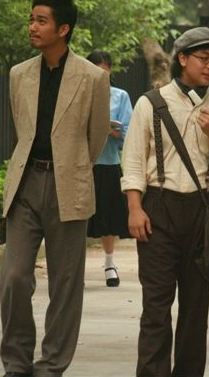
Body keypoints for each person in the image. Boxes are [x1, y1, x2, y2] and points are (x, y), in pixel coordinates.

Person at [121, 27, 209, 377]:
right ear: (183, 59)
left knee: (195, 309)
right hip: (158, 207)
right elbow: (133, 161)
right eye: (203, 59)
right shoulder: (151, 103)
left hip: (206, 210)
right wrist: (135, 208)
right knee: (155, 307)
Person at [0, 0, 110, 377]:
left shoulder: (93, 78)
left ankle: (51, 366)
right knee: (14, 277)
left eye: (41, 20)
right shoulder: (19, 74)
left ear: (63, 29)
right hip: (26, 183)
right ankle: (16, 363)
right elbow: (22, 129)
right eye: (31, 19)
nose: (32, 26)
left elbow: (96, 137)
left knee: (65, 283)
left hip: (69, 185)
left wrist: (71, 166)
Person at [85, 50, 133, 287]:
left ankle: (109, 263)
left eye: (103, 71)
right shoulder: (78, 94)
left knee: (109, 218)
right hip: (81, 165)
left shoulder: (120, 96)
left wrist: (108, 129)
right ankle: (74, 268)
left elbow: (128, 134)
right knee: (78, 218)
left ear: (110, 70)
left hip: (108, 163)